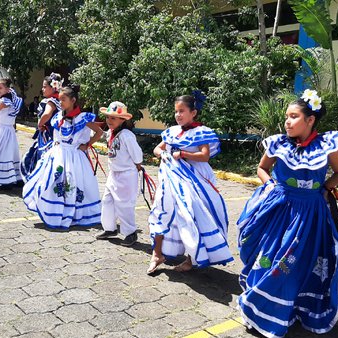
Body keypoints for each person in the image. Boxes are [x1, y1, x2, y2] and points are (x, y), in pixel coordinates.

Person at [236, 90, 338, 338]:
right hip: (279, 209)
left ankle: (290, 310)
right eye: (286, 117)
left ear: (310, 120)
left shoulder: (327, 145)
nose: (287, 122)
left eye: (294, 117)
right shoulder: (278, 143)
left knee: (296, 263)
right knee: (270, 256)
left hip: (310, 215)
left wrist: (325, 189)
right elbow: (262, 168)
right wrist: (270, 186)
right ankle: (258, 308)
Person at [147, 91, 233, 274]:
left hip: (194, 180)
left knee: (192, 215)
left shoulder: (201, 132)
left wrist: (183, 154)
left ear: (193, 113)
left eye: (182, 111)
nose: (178, 115)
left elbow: (204, 156)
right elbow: (157, 149)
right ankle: (157, 253)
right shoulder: (172, 132)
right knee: (161, 209)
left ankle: (191, 258)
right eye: (176, 111)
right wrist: (163, 154)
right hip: (170, 179)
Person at [22, 85, 104, 229]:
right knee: (54, 180)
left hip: (75, 157)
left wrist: (87, 144)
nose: (61, 103)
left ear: (73, 100)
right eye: (59, 100)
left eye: (63, 99)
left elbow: (99, 132)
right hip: (58, 154)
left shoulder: (83, 118)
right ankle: (54, 210)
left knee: (74, 183)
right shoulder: (59, 116)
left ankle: (73, 213)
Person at [95, 101, 144, 246]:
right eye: (108, 117)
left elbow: (137, 155)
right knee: (107, 201)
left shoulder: (126, 135)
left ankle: (130, 233)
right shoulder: (112, 132)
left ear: (123, 120)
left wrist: (137, 165)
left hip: (126, 174)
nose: (109, 120)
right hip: (114, 173)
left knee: (124, 204)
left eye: (113, 118)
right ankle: (110, 228)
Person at [20, 73, 63, 180]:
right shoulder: (60, 101)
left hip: (47, 134)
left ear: (53, 87)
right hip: (55, 133)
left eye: (44, 87)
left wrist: (40, 124)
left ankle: (39, 180)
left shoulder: (51, 101)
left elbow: (47, 114)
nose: (42, 89)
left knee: (42, 156)